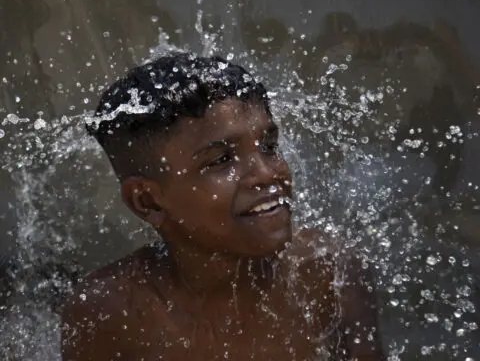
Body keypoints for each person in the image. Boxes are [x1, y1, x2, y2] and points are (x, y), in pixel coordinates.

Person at [61, 52, 383, 360]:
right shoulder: (113, 310)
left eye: (269, 146)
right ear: (147, 201)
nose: (268, 173)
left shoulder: (330, 273)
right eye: (221, 160)